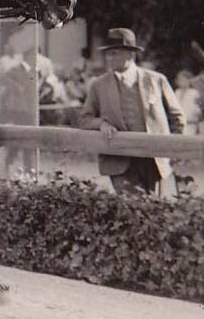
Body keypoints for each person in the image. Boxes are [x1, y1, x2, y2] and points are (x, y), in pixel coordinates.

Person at [79, 28, 185, 195]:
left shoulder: (156, 80)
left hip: (154, 160)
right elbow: (84, 119)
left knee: (156, 210)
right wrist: (102, 124)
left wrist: (174, 149)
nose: (109, 58)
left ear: (130, 55)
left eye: (114, 53)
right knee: (131, 208)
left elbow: (177, 117)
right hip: (119, 161)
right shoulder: (99, 85)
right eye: (107, 54)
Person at [174, 69, 202, 135]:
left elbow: (198, 110)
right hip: (179, 124)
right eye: (180, 80)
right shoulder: (177, 92)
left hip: (191, 123)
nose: (182, 82)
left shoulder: (194, 93)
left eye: (185, 80)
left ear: (189, 81)